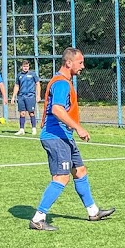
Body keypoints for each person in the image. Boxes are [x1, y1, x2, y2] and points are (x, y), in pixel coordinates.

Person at [29, 48, 115, 231]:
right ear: (69, 63)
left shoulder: (64, 82)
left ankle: (93, 211)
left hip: (64, 137)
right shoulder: (61, 83)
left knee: (80, 171)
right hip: (56, 137)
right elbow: (57, 110)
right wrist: (78, 127)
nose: (83, 66)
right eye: (80, 62)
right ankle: (38, 218)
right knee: (61, 178)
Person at [11, 60, 41, 135]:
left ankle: (34, 129)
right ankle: (21, 129)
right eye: (24, 66)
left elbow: (37, 84)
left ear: (29, 67)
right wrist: (13, 97)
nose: (25, 68)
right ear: (22, 67)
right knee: (22, 113)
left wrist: (38, 95)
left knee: (31, 112)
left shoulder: (33, 74)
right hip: (21, 96)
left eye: (27, 66)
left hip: (30, 96)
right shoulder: (19, 75)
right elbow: (17, 86)